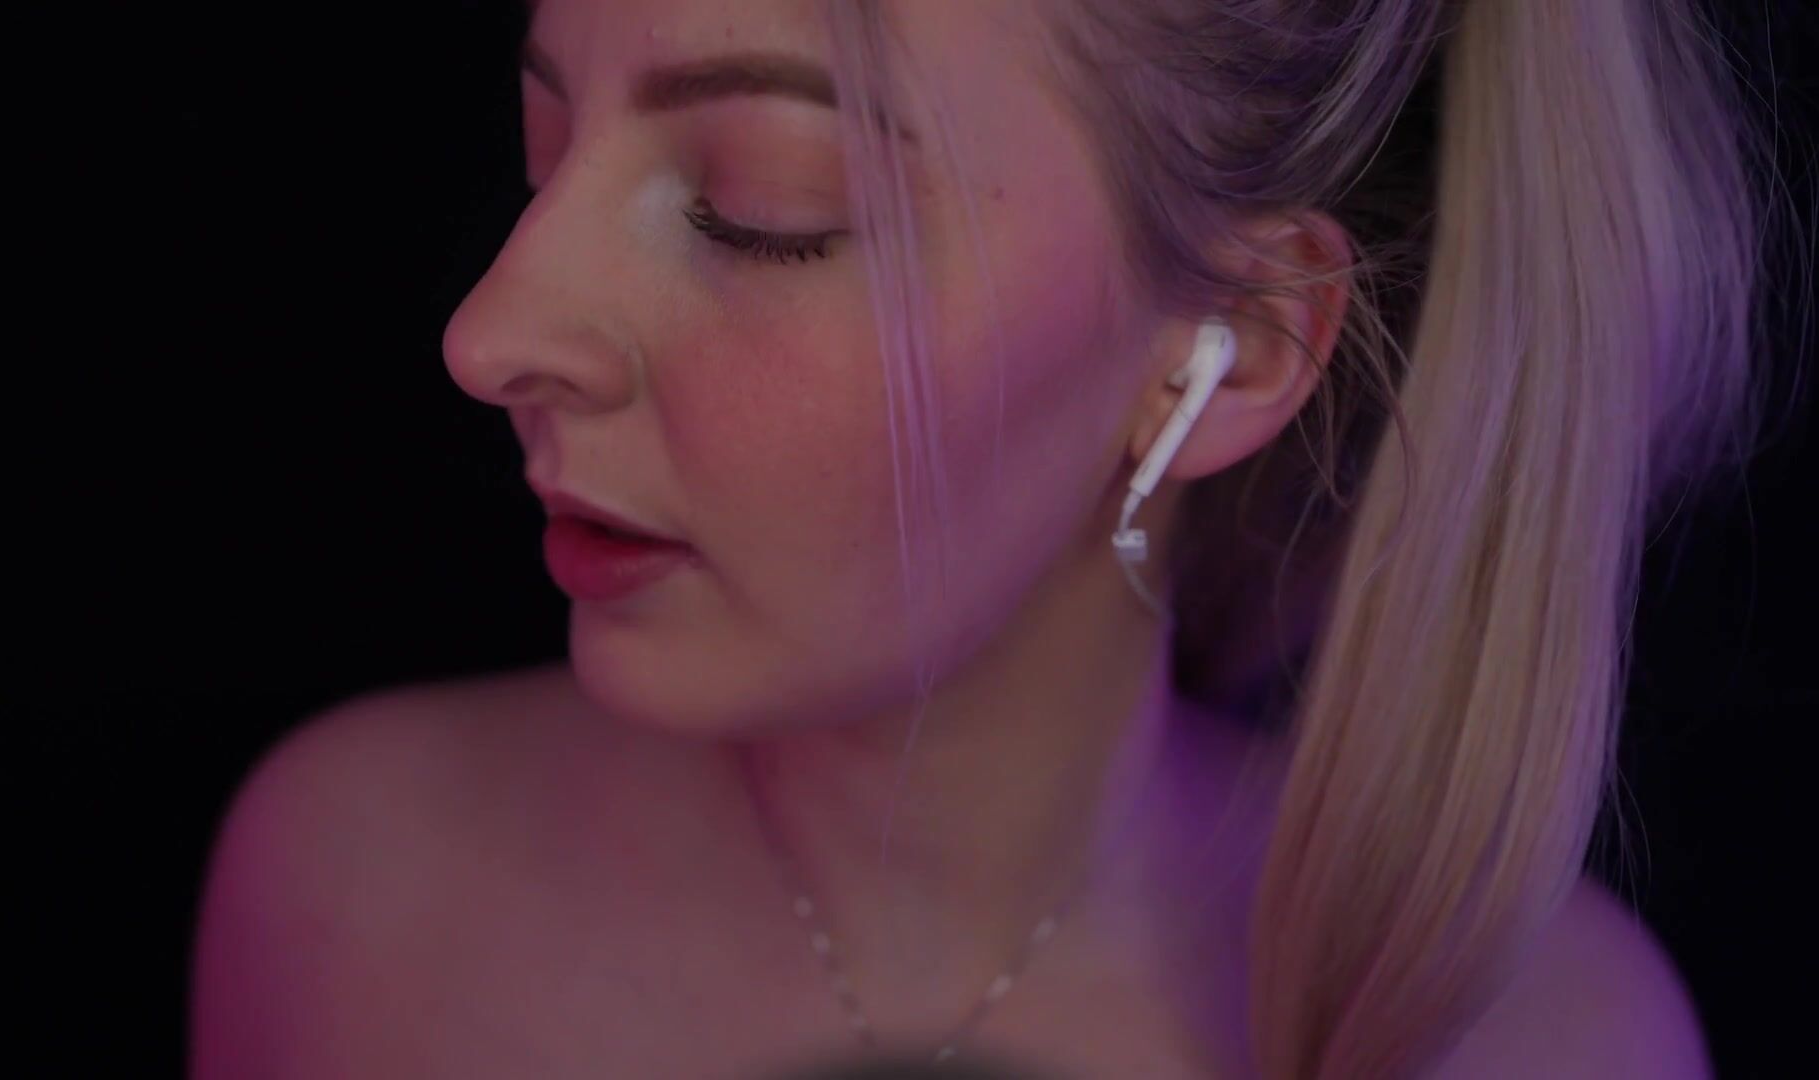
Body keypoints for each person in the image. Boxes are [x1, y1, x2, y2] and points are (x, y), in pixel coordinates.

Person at [190, 0, 1785, 1077]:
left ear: (1225, 346)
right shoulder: (356, 899)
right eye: (547, 153)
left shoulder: (1548, 1044)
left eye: (762, 204)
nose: (492, 334)